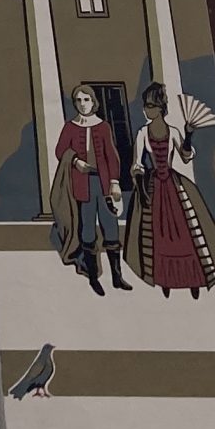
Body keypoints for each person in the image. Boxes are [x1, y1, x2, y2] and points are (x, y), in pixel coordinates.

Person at [125, 83, 215, 297]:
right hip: (153, 185)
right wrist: (140, 183)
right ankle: (165, 279)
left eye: (150, 106)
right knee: (158, 234)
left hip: (173, 184)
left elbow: (186, 156)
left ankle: (194, 279)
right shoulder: (143, 133)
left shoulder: (172, 132)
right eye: (145, 105)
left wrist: (188, 136)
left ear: (160, 108)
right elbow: (137, 163)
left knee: (186, 231)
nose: (146, 110)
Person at [48, 83, 131, 296]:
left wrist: (114, 182)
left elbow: (111, 155)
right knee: (87, 231)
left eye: (86, 99)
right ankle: (93, 277)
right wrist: (75, 161)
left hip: (103, 184)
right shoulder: (70, 127)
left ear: (94, 102)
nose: (83, 104)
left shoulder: (103, 126)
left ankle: (117, 277)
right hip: (82, 184)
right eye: (79, 100)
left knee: (110, 228)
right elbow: (60, 151)